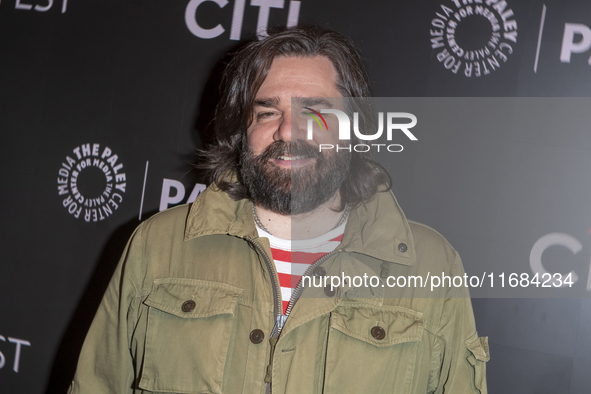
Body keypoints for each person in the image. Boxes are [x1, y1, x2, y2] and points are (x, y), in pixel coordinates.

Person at [68, 25, 489, 394]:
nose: (288, 131)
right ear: (241, 130)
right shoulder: (158, 245)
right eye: (267, 112)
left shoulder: (433, 265)